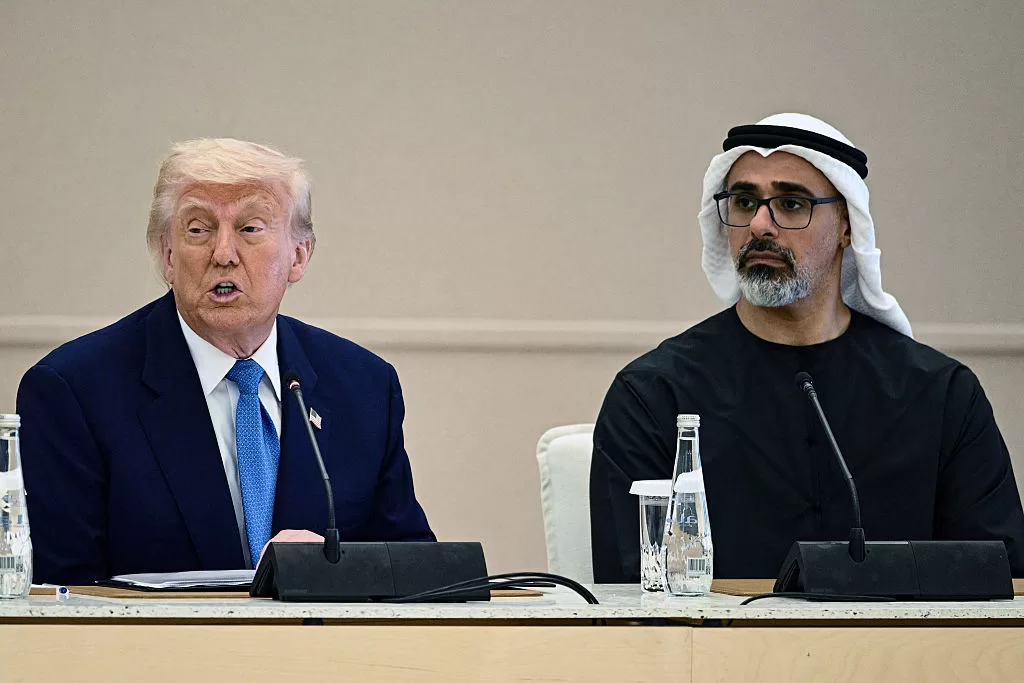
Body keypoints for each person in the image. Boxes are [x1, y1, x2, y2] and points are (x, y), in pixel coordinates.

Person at [589, 113, 1024, 582]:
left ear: (847, 228)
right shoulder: (652, 396)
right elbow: (628, 601)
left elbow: (1001, 581)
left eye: (791, 204)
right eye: (743, 201)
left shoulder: (941, 397)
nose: (759, 225)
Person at [17, 139, 435, 585]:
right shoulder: (73, 390)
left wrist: (333, 569)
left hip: (323, 654)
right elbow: (56, 596)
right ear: (168, 255)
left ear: (299, 255)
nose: (223, 253)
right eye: (198, 229)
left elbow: (417, 573)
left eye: (251, 228)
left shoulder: (364, 387)